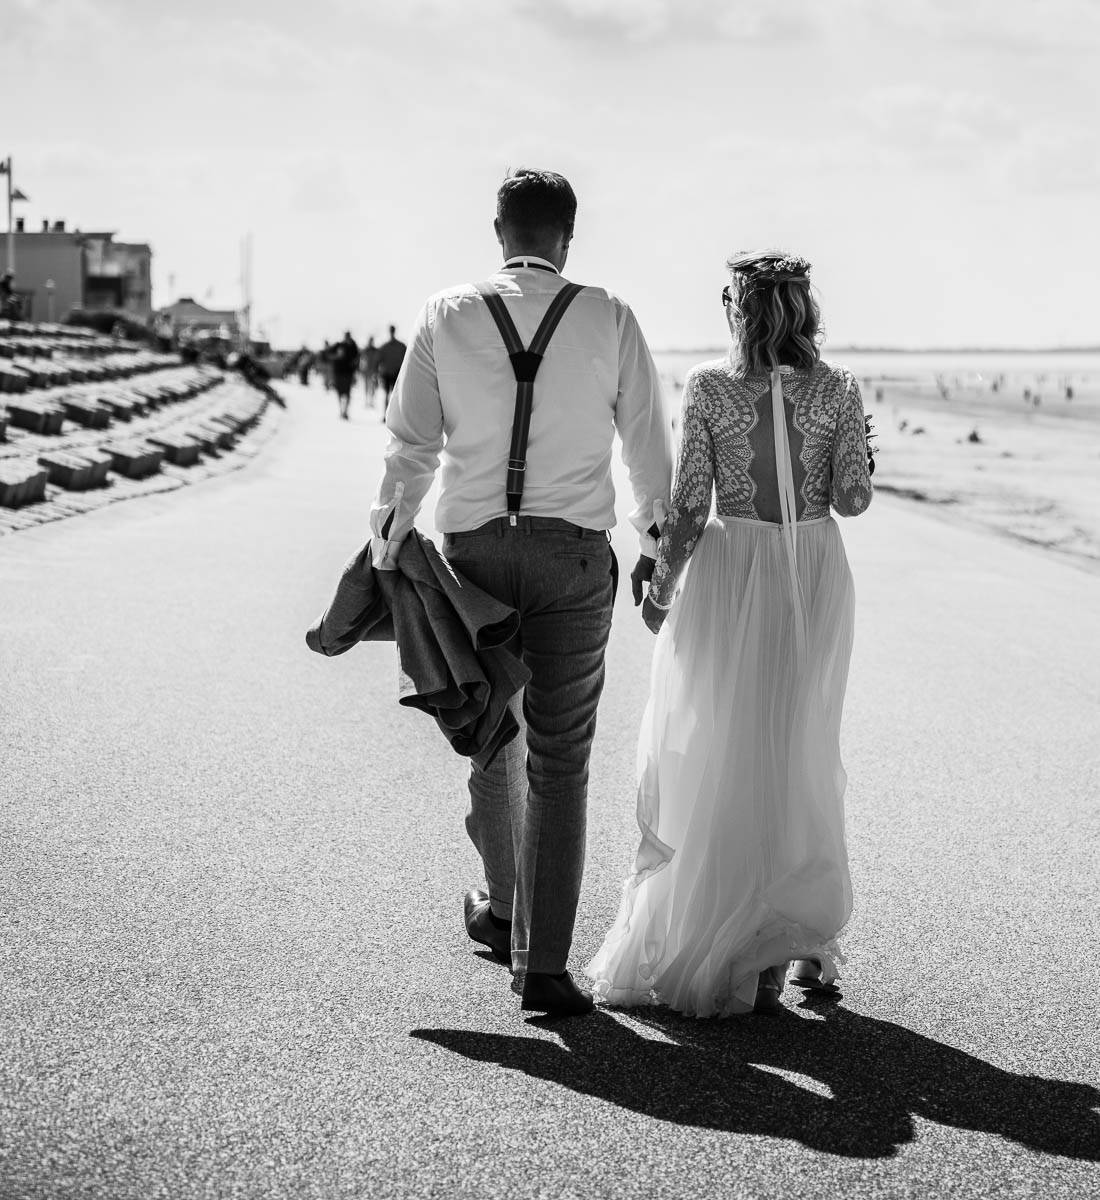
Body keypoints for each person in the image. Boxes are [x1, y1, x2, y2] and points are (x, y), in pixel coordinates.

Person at [369, 168, 673, 1017]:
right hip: (575, 559)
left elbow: (410, 445)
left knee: (494, 734)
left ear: (499, 231)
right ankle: (542, 964)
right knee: (562, 761)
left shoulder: (445, 313)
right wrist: (658, 545)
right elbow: (648, 446)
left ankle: (503, 910)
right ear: (567, 238)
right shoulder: (611, 316)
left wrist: (388, 540)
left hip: (475, 558)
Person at [585, 248, 873, 1018]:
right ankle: (796, 932)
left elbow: (687, 508)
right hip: (810, 568)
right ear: (805, 309)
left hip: (732, 568)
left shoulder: (710, 386)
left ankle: (739, 926)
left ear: (738, 308)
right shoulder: (839, 388)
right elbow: (852, 500)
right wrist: (862, 449)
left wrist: (662, 589)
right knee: (800, 744)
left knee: (724, 745)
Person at [376, 324, 405, 415]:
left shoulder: (400, 346)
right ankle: (386, 414)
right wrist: (377, 373)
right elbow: (378, 361)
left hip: (396, 373)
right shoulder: (385, 346)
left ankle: (393, 415)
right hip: (387, 374)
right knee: (387, 395)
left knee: (395, 396)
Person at [330, 330, 358, 418]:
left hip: (348, 373)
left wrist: (355, 371)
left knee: (347, 393)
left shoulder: (353, 346)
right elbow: (328, 354)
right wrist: (337, 356)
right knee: (339, 392)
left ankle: (345, 411)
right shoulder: (338, 345)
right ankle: (341, 410)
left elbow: (357, 359)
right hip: (339, 373)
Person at [360, 336, 379, 408]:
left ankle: (371, 401)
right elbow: (362, 361)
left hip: (373, 372)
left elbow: (377, 361)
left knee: (373, 387)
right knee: (367, 387)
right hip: (367, 372)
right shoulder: (365, 350)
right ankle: (367, 401)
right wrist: (362, 370)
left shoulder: (375, 350)